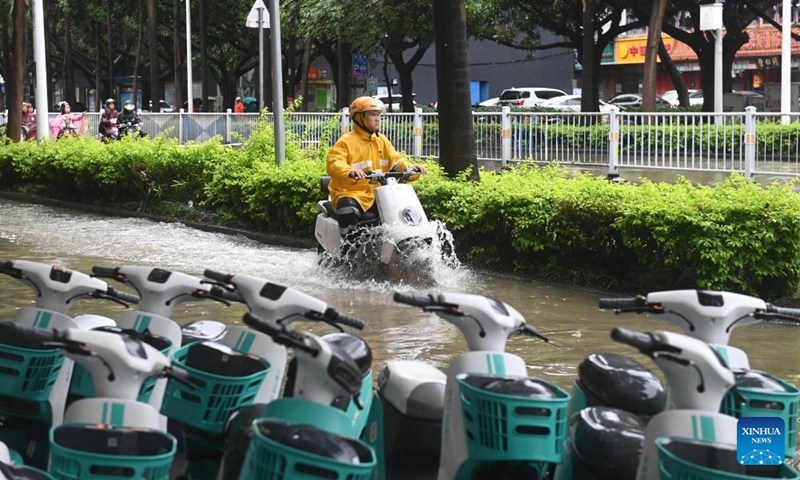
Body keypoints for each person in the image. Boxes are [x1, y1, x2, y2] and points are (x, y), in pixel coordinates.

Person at [326, 96, 428, 239]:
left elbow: (397, 162)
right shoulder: (346, 141)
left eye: (378, 115)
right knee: (348, 207)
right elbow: (334, 163)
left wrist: (412, 169)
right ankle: (347, 250)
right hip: (351, 193)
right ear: (359, 117)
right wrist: (350, 171)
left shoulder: (381, 140)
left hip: (378, 194)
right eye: (372, 114)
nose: (377, 118)